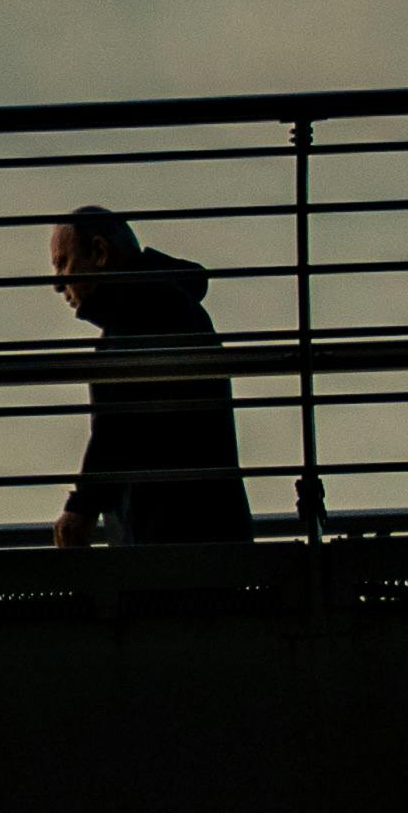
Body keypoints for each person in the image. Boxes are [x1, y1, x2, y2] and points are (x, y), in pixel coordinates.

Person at [47, 202, 254, 551]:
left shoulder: (145, 308)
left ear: (99, 252)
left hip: (178, 542)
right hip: (199, 536)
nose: (57, 284)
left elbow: (126, 417)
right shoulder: (163, 303)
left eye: (63, 263)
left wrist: (82, 507)